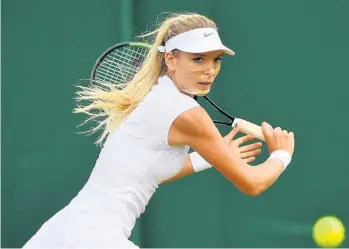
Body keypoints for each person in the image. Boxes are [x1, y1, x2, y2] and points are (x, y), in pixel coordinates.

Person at [23, 12, 295, 249]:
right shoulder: (187, 114)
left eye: (216, 60)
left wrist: (206, 158)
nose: (210, 70)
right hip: (94, 240)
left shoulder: (155, 95)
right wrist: (281, 155)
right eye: (198, 59)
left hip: (60, 234)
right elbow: (252, 183)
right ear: (171, 59)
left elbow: (147, 171)